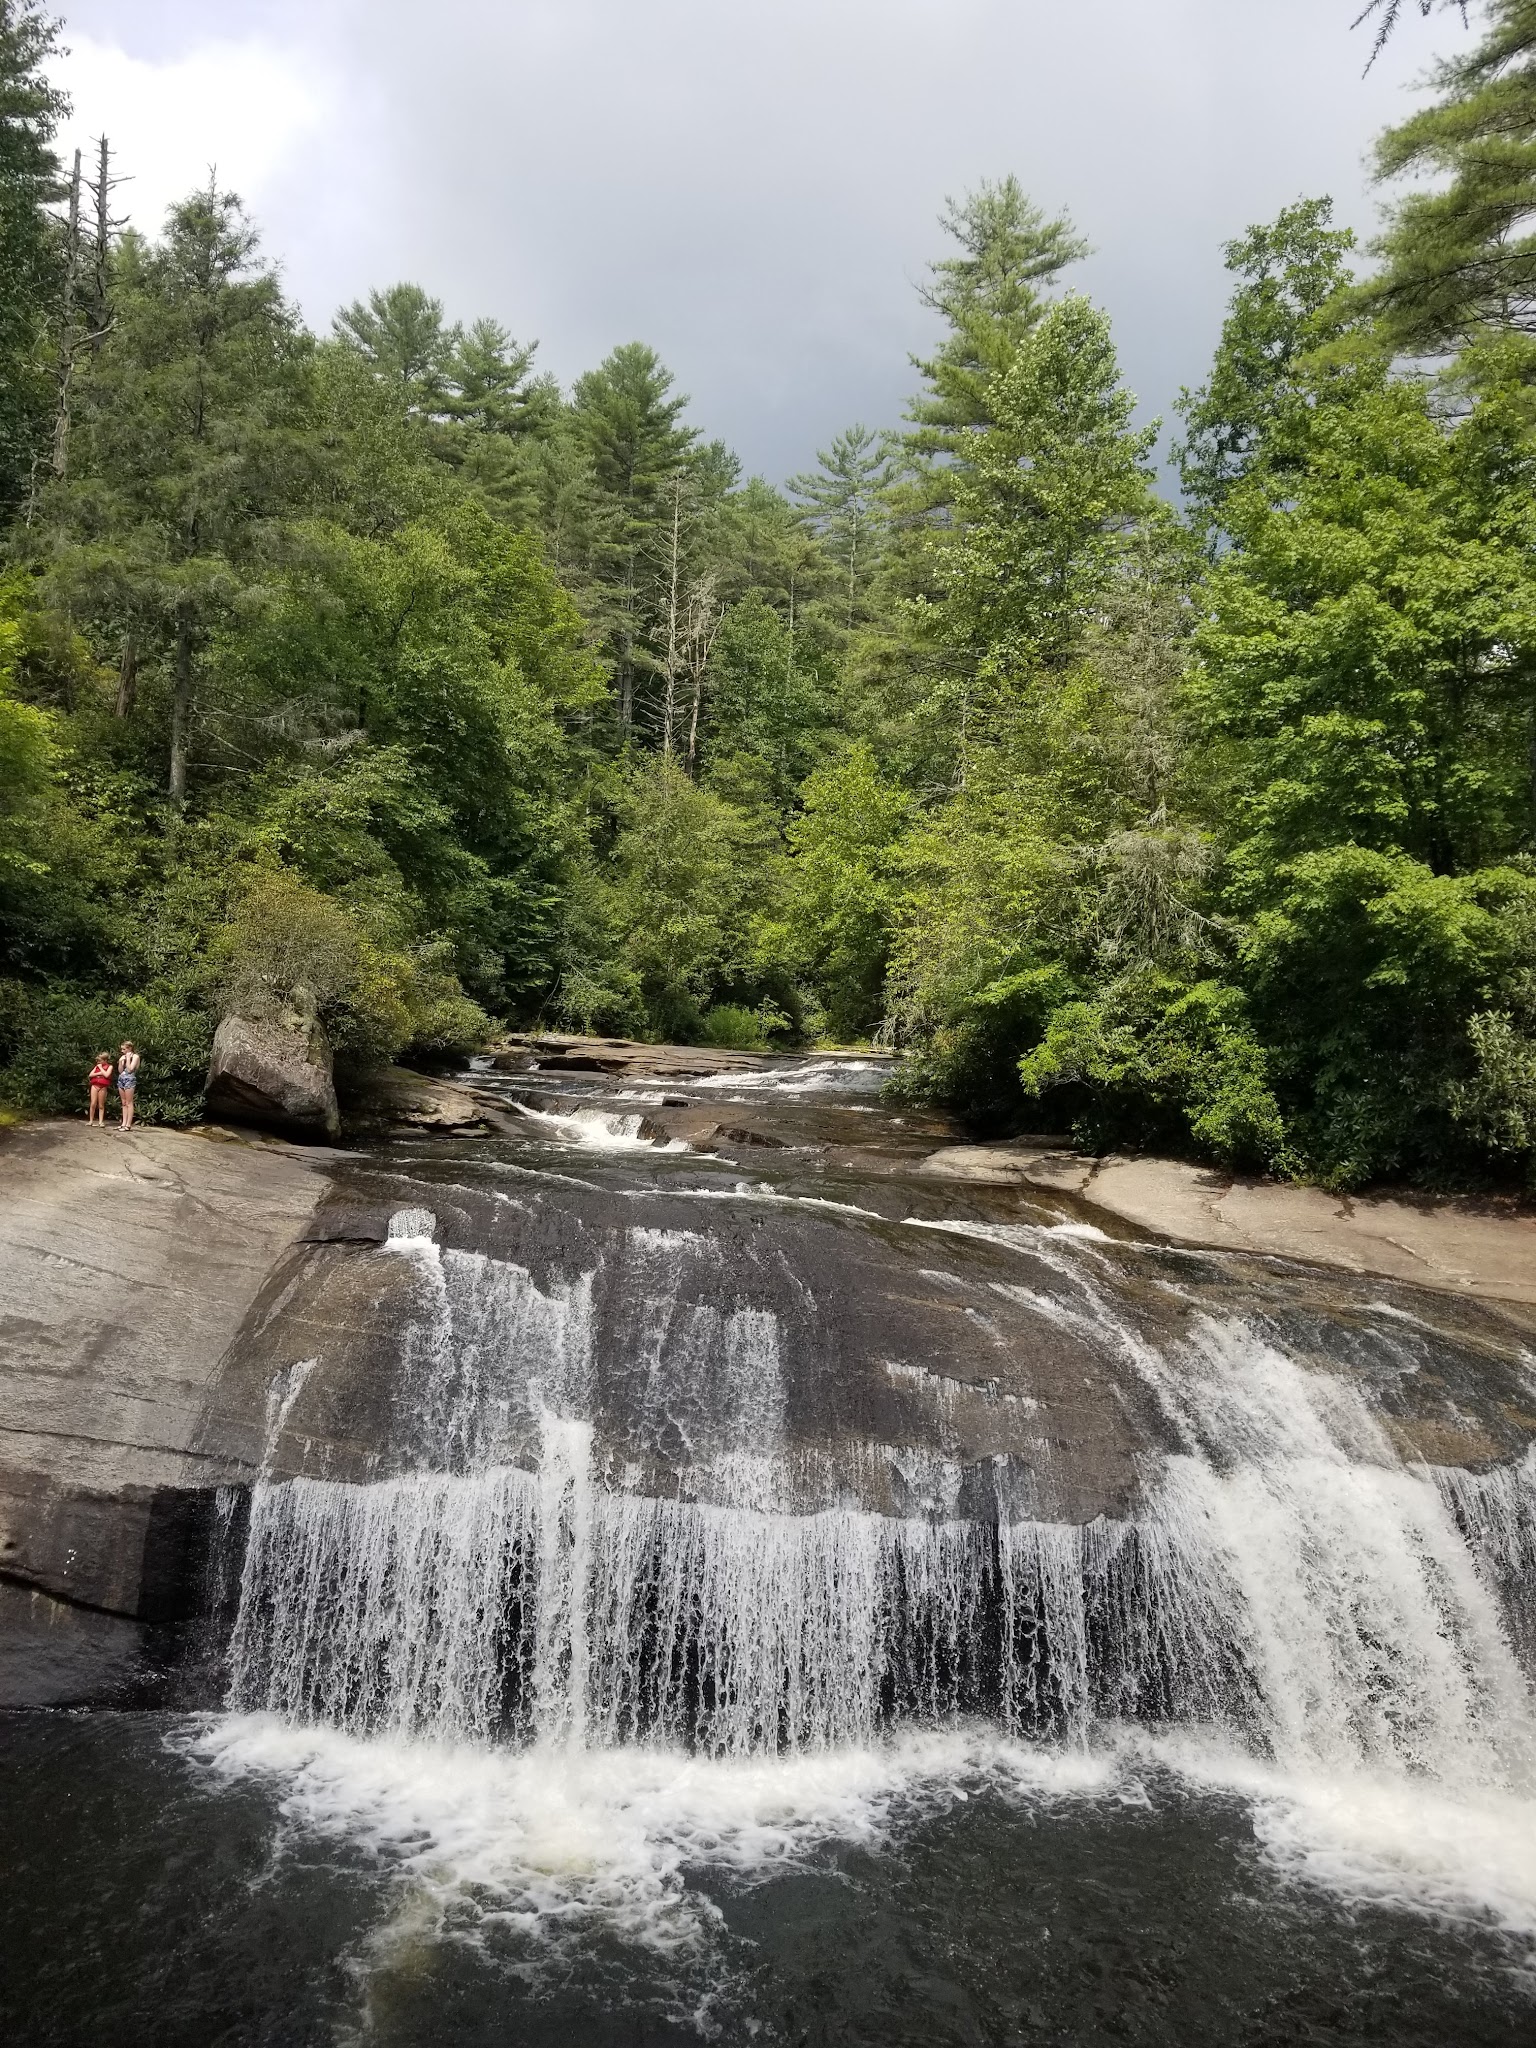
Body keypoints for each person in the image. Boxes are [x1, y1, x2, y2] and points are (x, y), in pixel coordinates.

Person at [115, 1041, 141, 1130]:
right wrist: (120, 1061)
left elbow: (130, 1069)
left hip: (129, 1079)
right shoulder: (123, 1057)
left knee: (129, 1102)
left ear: (129, 1048)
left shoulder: (135, 1057)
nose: (122, 1051)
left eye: (124, 1049)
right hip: (121, 1079)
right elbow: (120, 1071)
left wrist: (128, 1059)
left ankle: (128, 1125)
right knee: (124, 1102)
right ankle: (123, 1123)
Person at [87, 1052, 113, 1125]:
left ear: (105, 1060)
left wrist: (101, 1068)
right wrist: (99, 1073)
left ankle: (101, 1121)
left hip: (103, 1087)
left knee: (101, 1105)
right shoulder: (96, 1066)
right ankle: (91, 1120)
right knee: (93, 1103)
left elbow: (107, 1075)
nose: (98, 1062)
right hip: (95, 1086)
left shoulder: (109, 1066)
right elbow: (91, 1075)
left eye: (100, 1061)